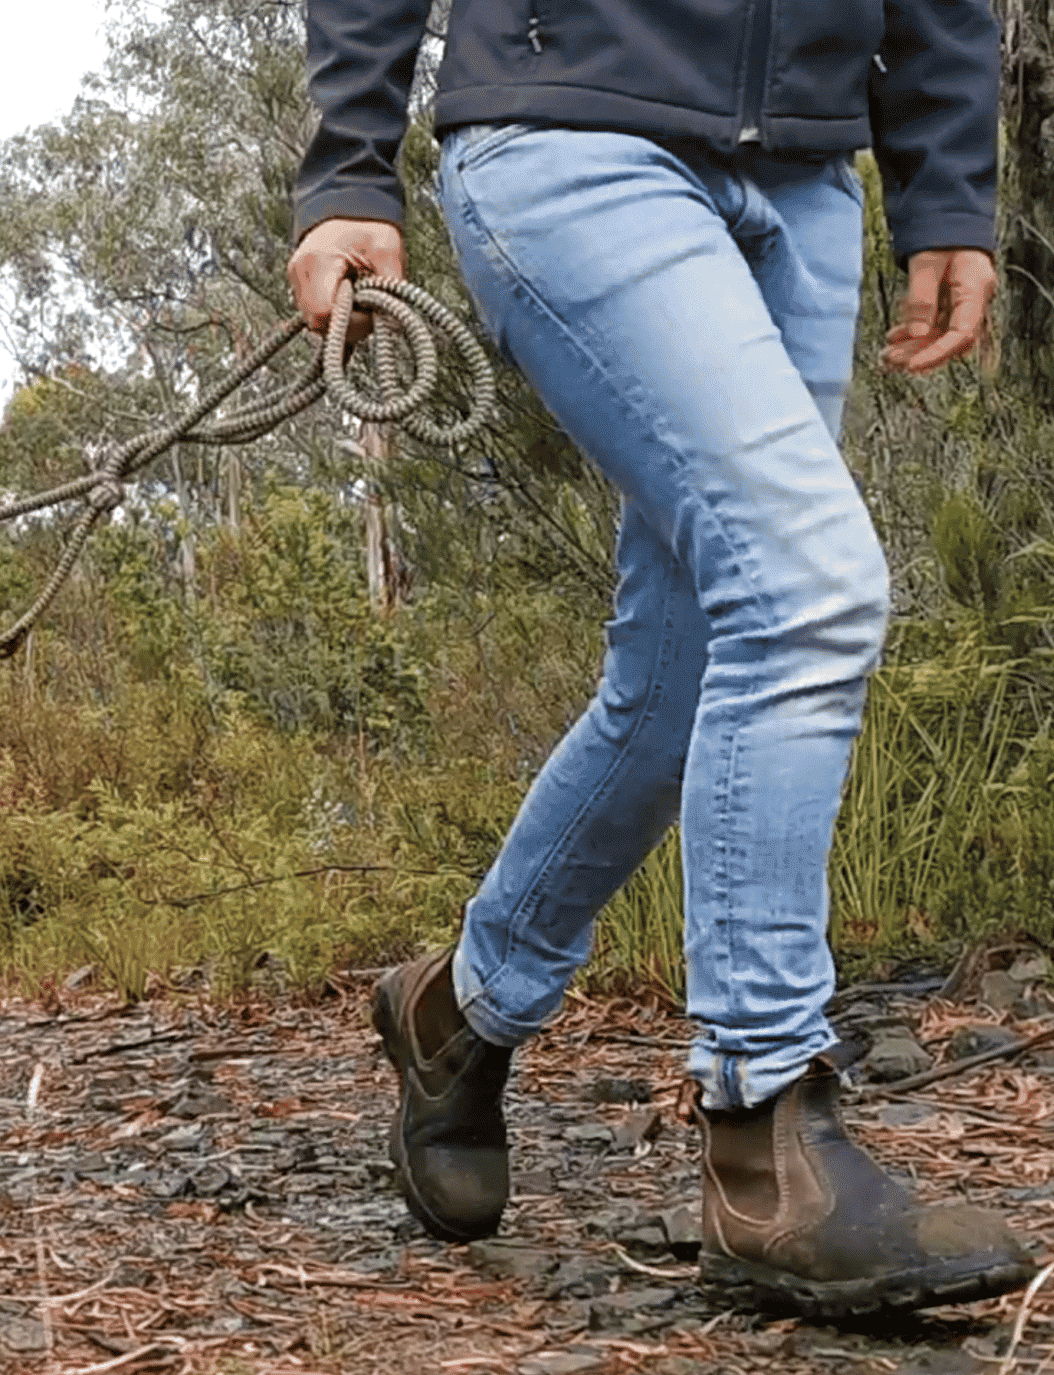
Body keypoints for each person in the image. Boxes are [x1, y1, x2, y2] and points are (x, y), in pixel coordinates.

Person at [287, 0, 1039, 1317]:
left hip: (803, 174)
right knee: (807, 589)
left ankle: (459, 1011)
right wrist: (350, 163)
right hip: (569, 134)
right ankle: (764, 1135)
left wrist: (946, 189)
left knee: (680, 683)